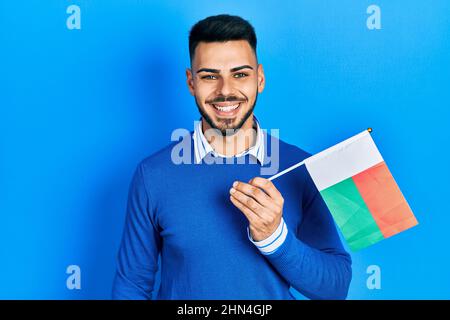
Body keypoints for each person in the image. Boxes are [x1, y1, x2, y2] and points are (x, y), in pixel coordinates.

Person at [112, 14, 352, 300]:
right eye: (210, 76)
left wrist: (275, 237)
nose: (225, 91)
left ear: (259, 79)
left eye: (240, 74)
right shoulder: (152, 176)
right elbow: (132, 286)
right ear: (191, 83)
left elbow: (335, 288)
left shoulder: (301, 169)